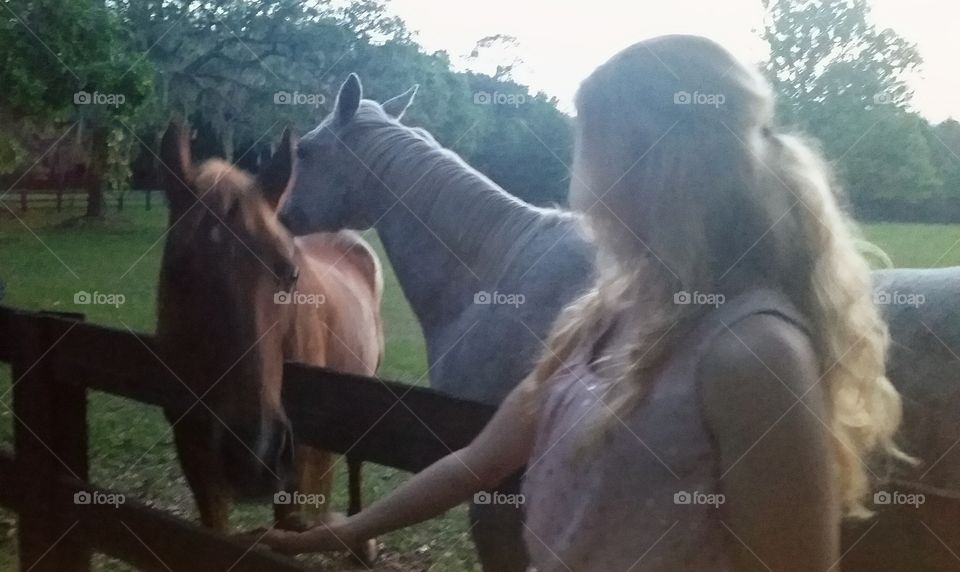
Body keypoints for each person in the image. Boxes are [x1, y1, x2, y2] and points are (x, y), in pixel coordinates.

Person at [243, 35, 909, 571]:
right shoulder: (605, 312)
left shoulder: (755, 354)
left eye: (592, 145)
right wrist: (345, 531)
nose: (581, 176)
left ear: (657, 164)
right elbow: (480, 461)